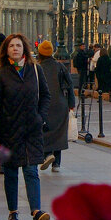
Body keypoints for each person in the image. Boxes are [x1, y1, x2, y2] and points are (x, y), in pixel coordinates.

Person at [0, 33, 52, 220]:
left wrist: (39, 117)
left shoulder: (35, 69)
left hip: (31, 129)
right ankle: (13, 212)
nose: (15, 48)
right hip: (9, 130)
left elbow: (46, 96)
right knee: (10, 172)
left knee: (31, 170)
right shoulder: (0, 73)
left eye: (18, 45)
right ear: (6, 50)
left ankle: (36, 212)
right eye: (11, 46)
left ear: (24, 48)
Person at [36, 40, 75, 173]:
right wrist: (71, 104)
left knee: (44, 130)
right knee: (59, 132)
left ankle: (47, 155)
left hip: (44, 105)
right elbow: (69, 85)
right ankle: (56, 163)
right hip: (60, 104)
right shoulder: (60, 67)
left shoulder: (37, 67)